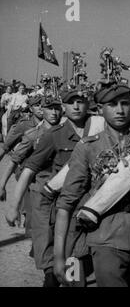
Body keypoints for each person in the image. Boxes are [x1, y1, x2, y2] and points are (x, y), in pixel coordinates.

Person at [53, 83, 130, 287]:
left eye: (125, 103)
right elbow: (66, 204)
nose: (120, 110)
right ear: (100, 109)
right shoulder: (88, 147)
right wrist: (59, 257)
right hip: (105, 238)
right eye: (112, 104)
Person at [5, 87, 92, 287]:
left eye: (81, 102)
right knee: (57, 264)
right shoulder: (54, 135)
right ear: (65, 107)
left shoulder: (98, 130)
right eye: (71, 102)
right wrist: (14, 206)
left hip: (87, 204)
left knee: (78, 259)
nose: (77, 106)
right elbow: (28, 169)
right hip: (57, 203)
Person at [2, 95, 63, 264]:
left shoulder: (67, 131)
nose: (54, 112)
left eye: (57, 108)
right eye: (49, 108)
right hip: (36, 185)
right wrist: (2, 185)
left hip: (62, 186)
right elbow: (14, 159)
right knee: (36, 222)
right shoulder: (32, 134)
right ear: (41, 110)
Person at [0, 96, 43, 162]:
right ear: (31, 109)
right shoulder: (24, 125)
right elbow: (5, 147)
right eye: (37, 105)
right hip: (26, 165)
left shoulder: (51, 125)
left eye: (43, 105)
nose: (41, 108)